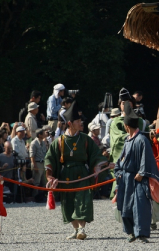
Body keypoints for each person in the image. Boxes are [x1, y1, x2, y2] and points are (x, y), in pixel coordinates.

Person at [45, 101, 110, 240]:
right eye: (78, 121)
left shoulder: (85, 139)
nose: (81, 123)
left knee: (83, 200)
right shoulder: (60, 141)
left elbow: (95, 155)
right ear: (70, 123)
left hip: (82, 174)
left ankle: (82, 229)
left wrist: (102, 164)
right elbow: (50, 158)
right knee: (67, 202)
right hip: (66, 174)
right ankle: (75, 230)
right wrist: (50, 175)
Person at [114, 102, 159, 243]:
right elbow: (121, 159)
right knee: (125, 205)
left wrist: (142, 172)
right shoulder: (127, 140)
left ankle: (141, 233)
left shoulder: (141, 140)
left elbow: (146, 158)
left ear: (126, 126)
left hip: (138, 178)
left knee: (140, 206)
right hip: (126, 178)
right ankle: (130, 232)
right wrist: (118, 170)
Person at [29, 129, 47, 200]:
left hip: (43, 163)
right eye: (43, 133)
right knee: (37, 181)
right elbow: (32, 155)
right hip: (37, 163)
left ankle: (43, 196)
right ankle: (35, 196)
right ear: (39, 135)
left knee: (44, 181)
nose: (45, 135)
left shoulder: (43, 142)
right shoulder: (34, 143)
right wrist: (35, 166)